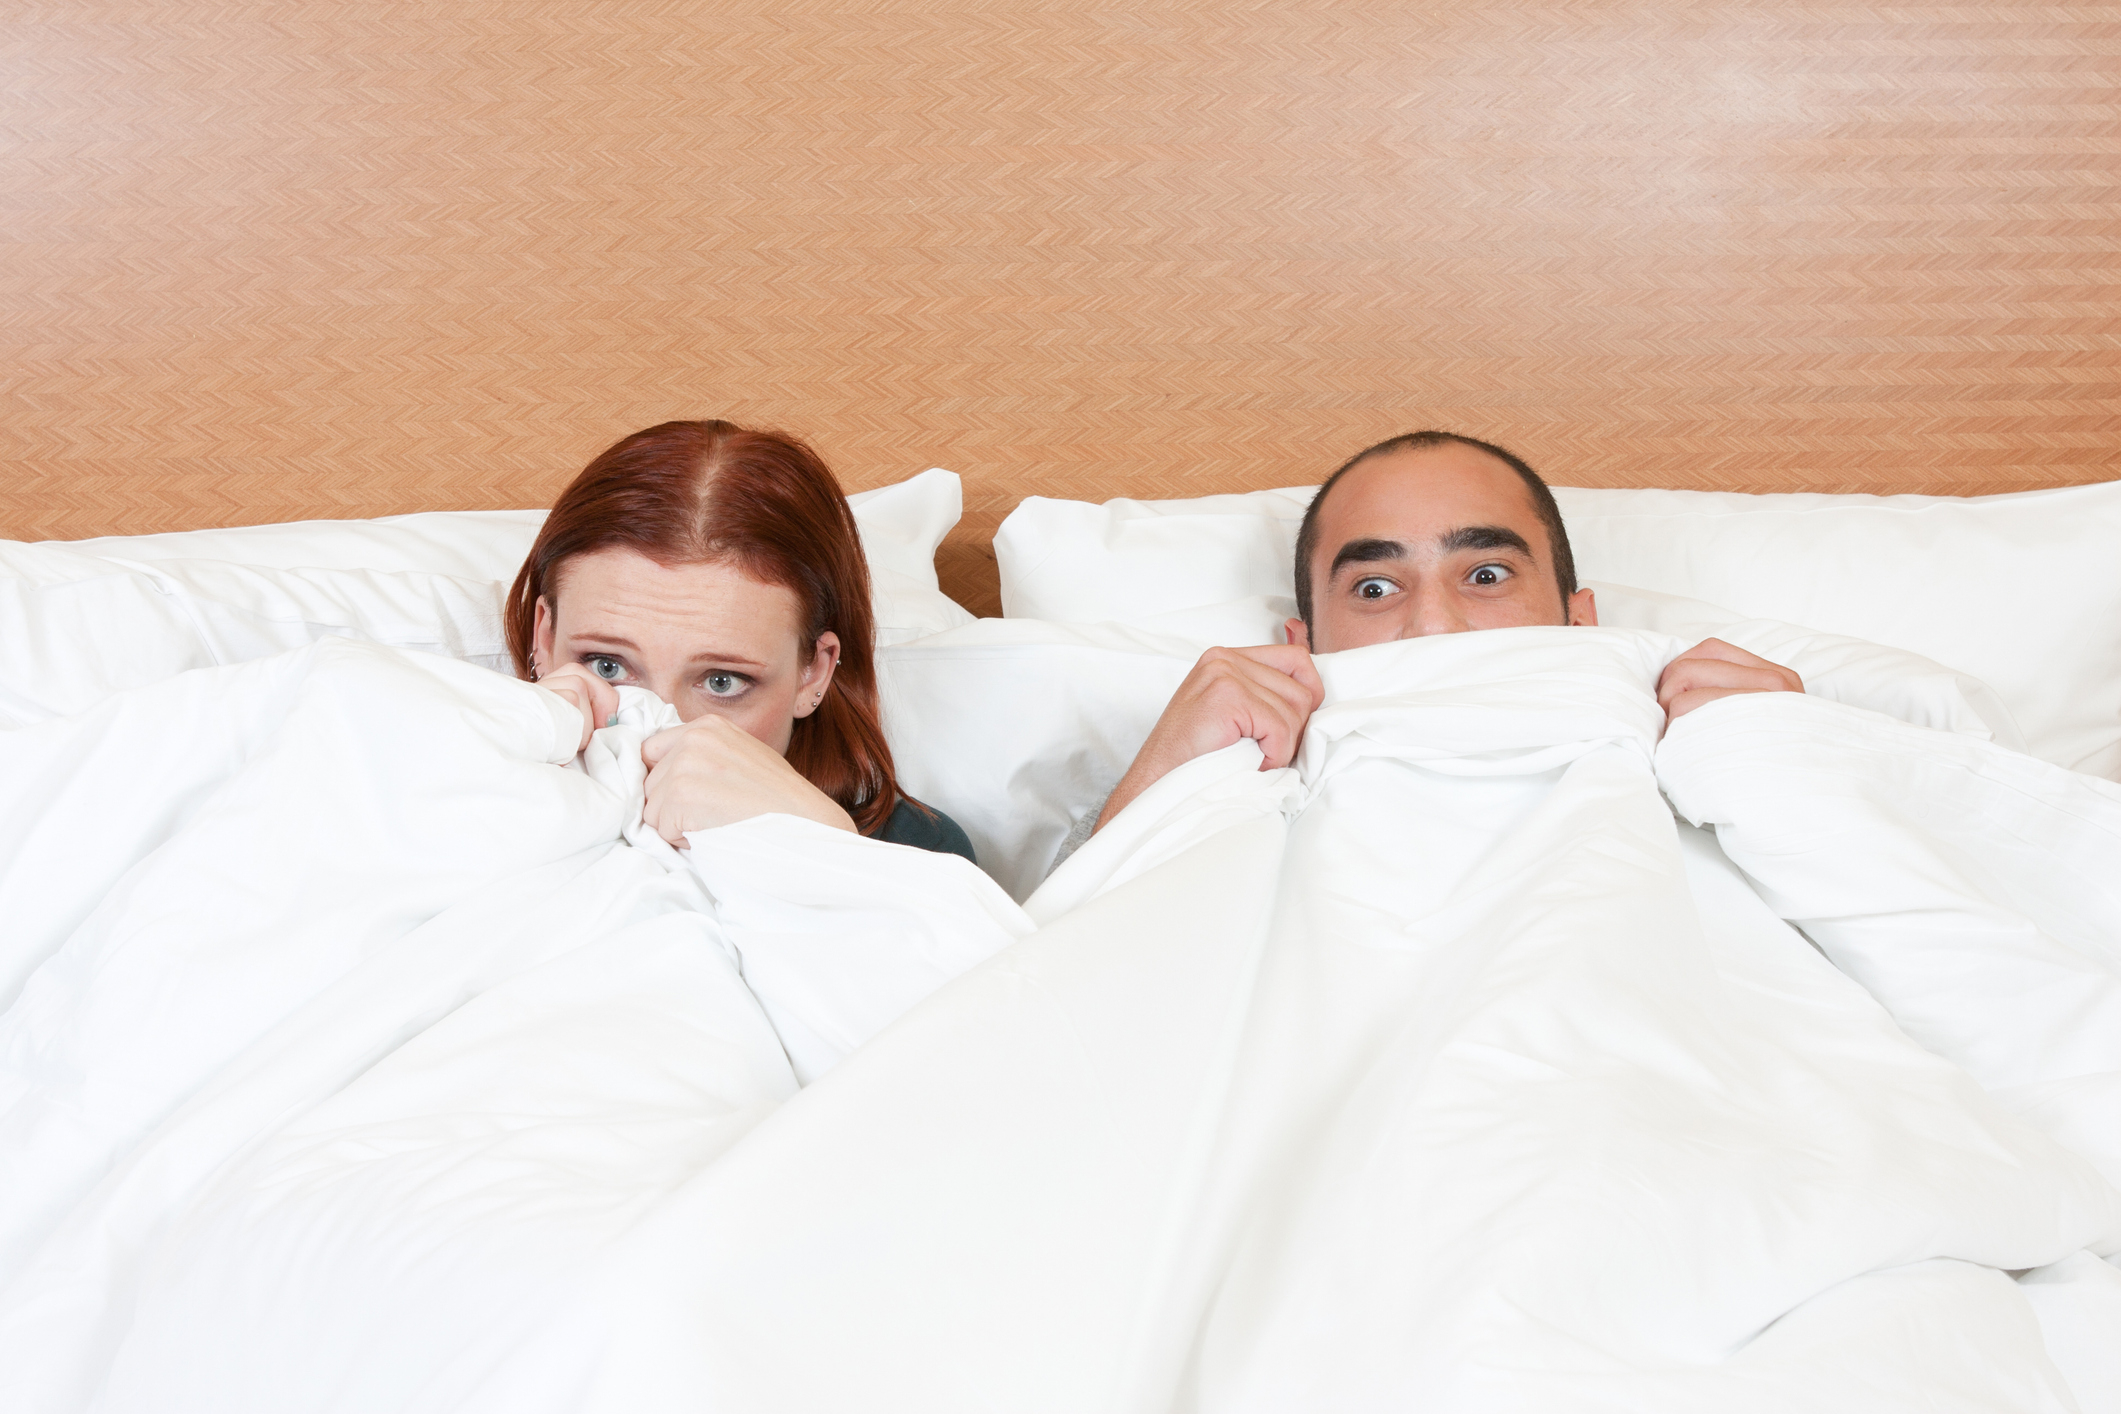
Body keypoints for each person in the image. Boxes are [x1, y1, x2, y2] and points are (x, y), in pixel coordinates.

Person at [1076, 430, 1803, 847]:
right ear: (1302, 645)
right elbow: (1063, 991)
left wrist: (1790, 759)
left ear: (1580, 621)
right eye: (1373, 589)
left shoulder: (1707, 742)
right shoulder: (1239, 797)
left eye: (1485, 575)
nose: (1433, 624)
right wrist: (1163, 771)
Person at [505, 419, 975, 862]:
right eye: (607, 666)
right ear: (544, 640)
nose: (656, 735)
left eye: (723, 682)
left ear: (813, 673)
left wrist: (824, 848)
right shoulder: (448, 793)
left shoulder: (911, 855)